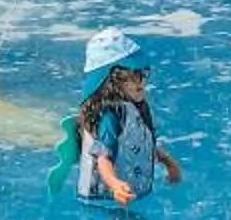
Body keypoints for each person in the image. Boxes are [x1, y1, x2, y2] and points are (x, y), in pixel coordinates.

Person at [66, 28, 182, 207]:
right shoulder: (110, 117)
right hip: (104, 198)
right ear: (111, 82)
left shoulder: (134, 108)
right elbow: (103, 157)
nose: (141, 82)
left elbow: (139, 143)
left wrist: (167, 161)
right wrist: (114, 184)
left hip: (123, 196)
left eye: (143, 74)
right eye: (132, 77)